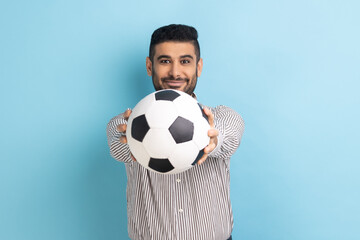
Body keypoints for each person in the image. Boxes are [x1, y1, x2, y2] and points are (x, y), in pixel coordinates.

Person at [107, 24, 245, 240]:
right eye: (165, 61)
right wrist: (131, 139)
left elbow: (229, 136)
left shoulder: (222, 118)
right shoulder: (130, 124)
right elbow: (117, 145)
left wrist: (211, 140)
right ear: (150, 66)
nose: (175, 72)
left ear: (198, 67)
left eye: (185, 61)